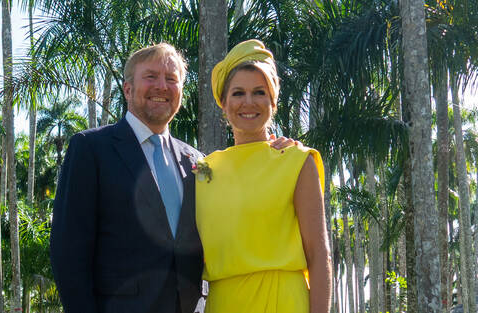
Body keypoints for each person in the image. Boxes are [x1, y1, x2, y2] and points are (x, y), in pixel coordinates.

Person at [50, 42, 296, 313]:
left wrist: (271, 151)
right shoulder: (91, 149)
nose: (162, 86)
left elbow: (241, 210)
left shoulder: (198, 161)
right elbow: (69, 252)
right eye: (151, 76)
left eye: (171, 79)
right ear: (128, 89)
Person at [195, 39, 332, 313]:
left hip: (283, 301)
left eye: (259, 92)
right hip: (224, 303)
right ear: (223, 103)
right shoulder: (203, 170)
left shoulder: (296, 160)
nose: (248, 102)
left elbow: (319, 255)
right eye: (238, 93)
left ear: (273, 101)